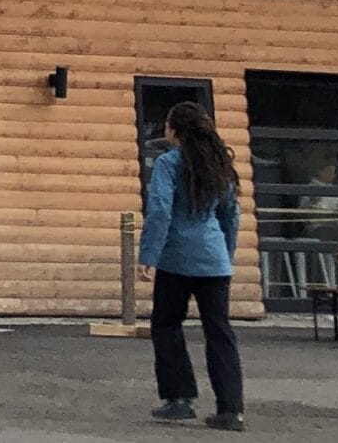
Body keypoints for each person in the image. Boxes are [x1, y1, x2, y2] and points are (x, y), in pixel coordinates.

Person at [139, 99, 245, 432]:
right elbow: (231, 214)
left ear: (175, 130)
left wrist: (149, 255)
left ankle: (179, 398)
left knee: (167, 324)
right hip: (214, 259)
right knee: (219, 332)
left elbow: (159, 211)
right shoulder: (219, 164)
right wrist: (225, 255)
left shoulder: (169, 164)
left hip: (176, 258)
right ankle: (231, 409)